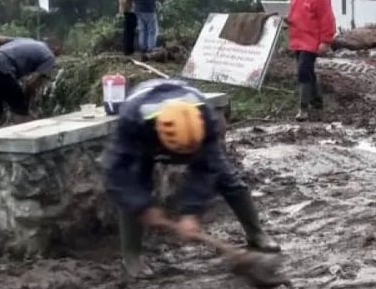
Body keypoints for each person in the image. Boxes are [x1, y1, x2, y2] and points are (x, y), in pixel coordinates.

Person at [103, 78, 280, 278]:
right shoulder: (133, 124)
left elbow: (206, 170)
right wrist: (142, 206)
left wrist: (190, 213)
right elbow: (115, 173)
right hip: (143, 139)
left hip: (188, 123)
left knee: (227, 177)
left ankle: (256, 233)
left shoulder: (204, 119)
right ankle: (132, 256)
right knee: (135, 183)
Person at [287, 0, 336, 121]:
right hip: (298, 40)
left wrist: (326, 41)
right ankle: (317, 101)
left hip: (311, 41)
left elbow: (327, 18)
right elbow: (295, 16)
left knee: (302, 71)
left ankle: (303, 108)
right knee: (308, 72)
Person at [0, 37, 57, 130]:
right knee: (21, 114)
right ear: (56, 49)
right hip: (2, 69)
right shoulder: (49, 57)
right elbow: (31, 83)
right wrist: (25, 102)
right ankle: (42, 138)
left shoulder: (25, 40)